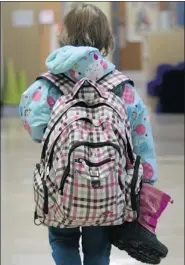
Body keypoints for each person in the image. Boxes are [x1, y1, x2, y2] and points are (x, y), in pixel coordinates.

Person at [19, 4, 172, 265]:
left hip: (60, 185)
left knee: (62, 239)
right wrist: (148, 179)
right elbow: (140, 137)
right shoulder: (121, 86)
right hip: (108, 186)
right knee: (99, 246)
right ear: (107, 40)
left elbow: (34, 125)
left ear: (63, 36)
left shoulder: (48, 83)